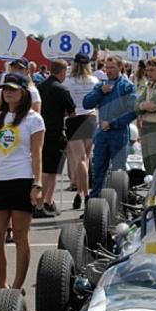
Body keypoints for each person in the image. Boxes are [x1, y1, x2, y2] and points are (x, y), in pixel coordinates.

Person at [0, 73, 45, 292]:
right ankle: (2, 287)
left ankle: (16, 287)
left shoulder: (34, 118)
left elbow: (37, 152)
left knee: (21, 237)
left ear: (24, 92)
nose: (8, 92)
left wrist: (37, 183)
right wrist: (0, 155)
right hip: (0, 179)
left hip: (23, 179)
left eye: (13, 88)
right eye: (5, 89)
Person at [83, 55, 137, 198]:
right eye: (107, 67)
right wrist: (101, 92)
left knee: (118, 172)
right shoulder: (101, 85)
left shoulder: (127, 86)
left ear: (120, 67)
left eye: (112, 67)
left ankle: (119, 204)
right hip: (102, 134)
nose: (108, 70)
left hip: (119, 134)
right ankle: (94, 203)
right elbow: (86, 103)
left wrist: (113, 123)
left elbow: (133, 111)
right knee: (98, 169)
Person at [35, 59, 76, 217]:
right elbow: (72, 112)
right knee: (51, 172)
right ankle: (41, 204)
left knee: (43, 170)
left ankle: (48, 202)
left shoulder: (40, 87)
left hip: (39, 132)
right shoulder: (61, 89)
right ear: (63, 71)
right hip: (55, 133)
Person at [63, 53, 98, 209]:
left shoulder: (68, 82)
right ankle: (81, 192)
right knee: (86, 158)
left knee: (80, 159)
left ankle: (84, 193)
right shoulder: (94, 80)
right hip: (90, 118)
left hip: (74, 118)